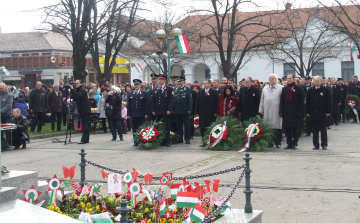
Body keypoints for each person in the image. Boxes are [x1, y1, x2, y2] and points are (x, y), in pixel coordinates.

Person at [280, 74, 305, 149]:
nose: (289, 80)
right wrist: (281, 111)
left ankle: (295, 142)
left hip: (295, 112)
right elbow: (282, 101)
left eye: (290, 78)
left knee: (295, 129)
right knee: (287, 129)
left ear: (294, 79)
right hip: (286, 112)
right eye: (288, 78)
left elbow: (302, 101)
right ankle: (289, 143)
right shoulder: (285, 89)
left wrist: (300, 111)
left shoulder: (299, 89)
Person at [306, 76, 331, 150]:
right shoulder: (310, 90)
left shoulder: (326, 90)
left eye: (318, 81)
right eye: (315, 81)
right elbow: (308, 102)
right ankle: (316, 145)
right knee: (315, 130)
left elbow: (329, 102)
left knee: (323, 129)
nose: (316, 82)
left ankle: (324, 144)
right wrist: (307, 111)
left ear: (321, 82)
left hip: (322, 113)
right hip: (313, 113)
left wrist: (328, 111)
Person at [259, 74, 284, 148]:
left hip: (276, 109)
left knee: (277, 126)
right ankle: (269, 142)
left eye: (273, 78)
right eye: (270, 78)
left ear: (276, 80)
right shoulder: (265, 88)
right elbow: (262, 99)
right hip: (267, 109)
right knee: (268, 126)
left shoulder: (281, 88)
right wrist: (261, 109)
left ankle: (278, 142)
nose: (271, 80)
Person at [152, 74, 174, 147]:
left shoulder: (169, 89)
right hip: (158, 110)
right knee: (159, 126)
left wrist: (169, 110)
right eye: (159, 79)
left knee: (166, 126)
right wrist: (153, 110)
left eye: (161, 79)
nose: (159, 80)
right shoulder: (156, 89)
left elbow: (171, 100)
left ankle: (167, 141)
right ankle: (161, 140)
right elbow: (154, 100)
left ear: (165, 80)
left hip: (165, 111)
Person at [195, 79, 219, 144]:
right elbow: (197, 102)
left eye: (206, 83)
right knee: (202, 127)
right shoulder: (200, 92)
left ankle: (210, 141)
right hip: (202, 113)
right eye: (204, 83)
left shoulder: (214, 92)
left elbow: (216, 103)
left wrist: (216, 112)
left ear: (209, 84)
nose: (204, 85)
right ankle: (203, 141)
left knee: (209, 126)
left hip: (210, 113)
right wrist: (197, 112)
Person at [127, 79, 150, 146]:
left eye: (137, 85)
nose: (136, 86)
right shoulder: (131, 93)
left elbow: (147, 104)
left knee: (142, 128)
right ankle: (136, 141)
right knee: (134, 128)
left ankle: (142, 140)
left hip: (141, 113)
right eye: (135, 85)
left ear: (140, 85)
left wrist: (146, 113)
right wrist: (128, 114)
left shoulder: (144, 93)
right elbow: (129, 105)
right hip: (133, 114)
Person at [69, 80, 91, 144]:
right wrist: (72, 94)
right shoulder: (78, 90)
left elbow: (78, 96)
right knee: (85, 124)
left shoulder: (82, 90)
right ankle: (86, 139)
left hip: (85, 110)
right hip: (82, 109)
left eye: (77, 83)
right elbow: (76, 97)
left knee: (85, 125)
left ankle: (84, 139)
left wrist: (72, 90)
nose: (75, 84)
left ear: (80, 84)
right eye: (75, 83)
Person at [174, 75, 192, 144]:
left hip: (185, 109)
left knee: (187, 125)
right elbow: (174, 99)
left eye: (180, 81)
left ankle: (187, 138)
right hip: (178, 109)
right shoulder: (175, 89)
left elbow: (189, 100)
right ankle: (180, 138)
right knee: (179, 125)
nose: (179, 83)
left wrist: (189, 109)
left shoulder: (187, 89)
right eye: (178, 81)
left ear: (183, 82)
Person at [0, 83, 13, 150]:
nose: (1, 90)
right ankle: (2, 143)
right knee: (1, 131)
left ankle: (8, 144)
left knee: (8, 130)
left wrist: (1, 111)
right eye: (0, 88)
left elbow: (8, 105)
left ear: (5, 88)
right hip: (1, 116)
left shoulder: (9, 96)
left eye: (2, 88)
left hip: (7, 115)